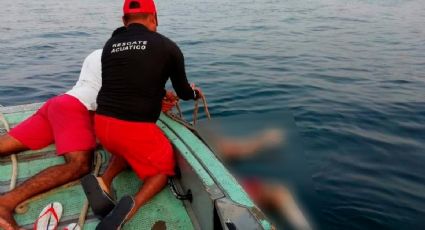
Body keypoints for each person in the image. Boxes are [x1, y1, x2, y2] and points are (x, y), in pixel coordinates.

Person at [81, 0, 201, 229]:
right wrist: (195, 93)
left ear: (124, 21)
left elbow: (128, 84)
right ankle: (130, 209)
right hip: (134, 129)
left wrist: (159, 92)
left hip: (103, 125)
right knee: (162, 169)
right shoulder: (168, 47)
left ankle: (103, 180)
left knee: (127, 148)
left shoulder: (110, 45)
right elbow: (184, 92)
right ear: (154, 18)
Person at [0, 49, 102, 230]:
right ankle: (5, 203)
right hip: (77, 110)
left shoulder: (97, 53)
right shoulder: (130, 58)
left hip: (60, 102)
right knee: (79, 165)